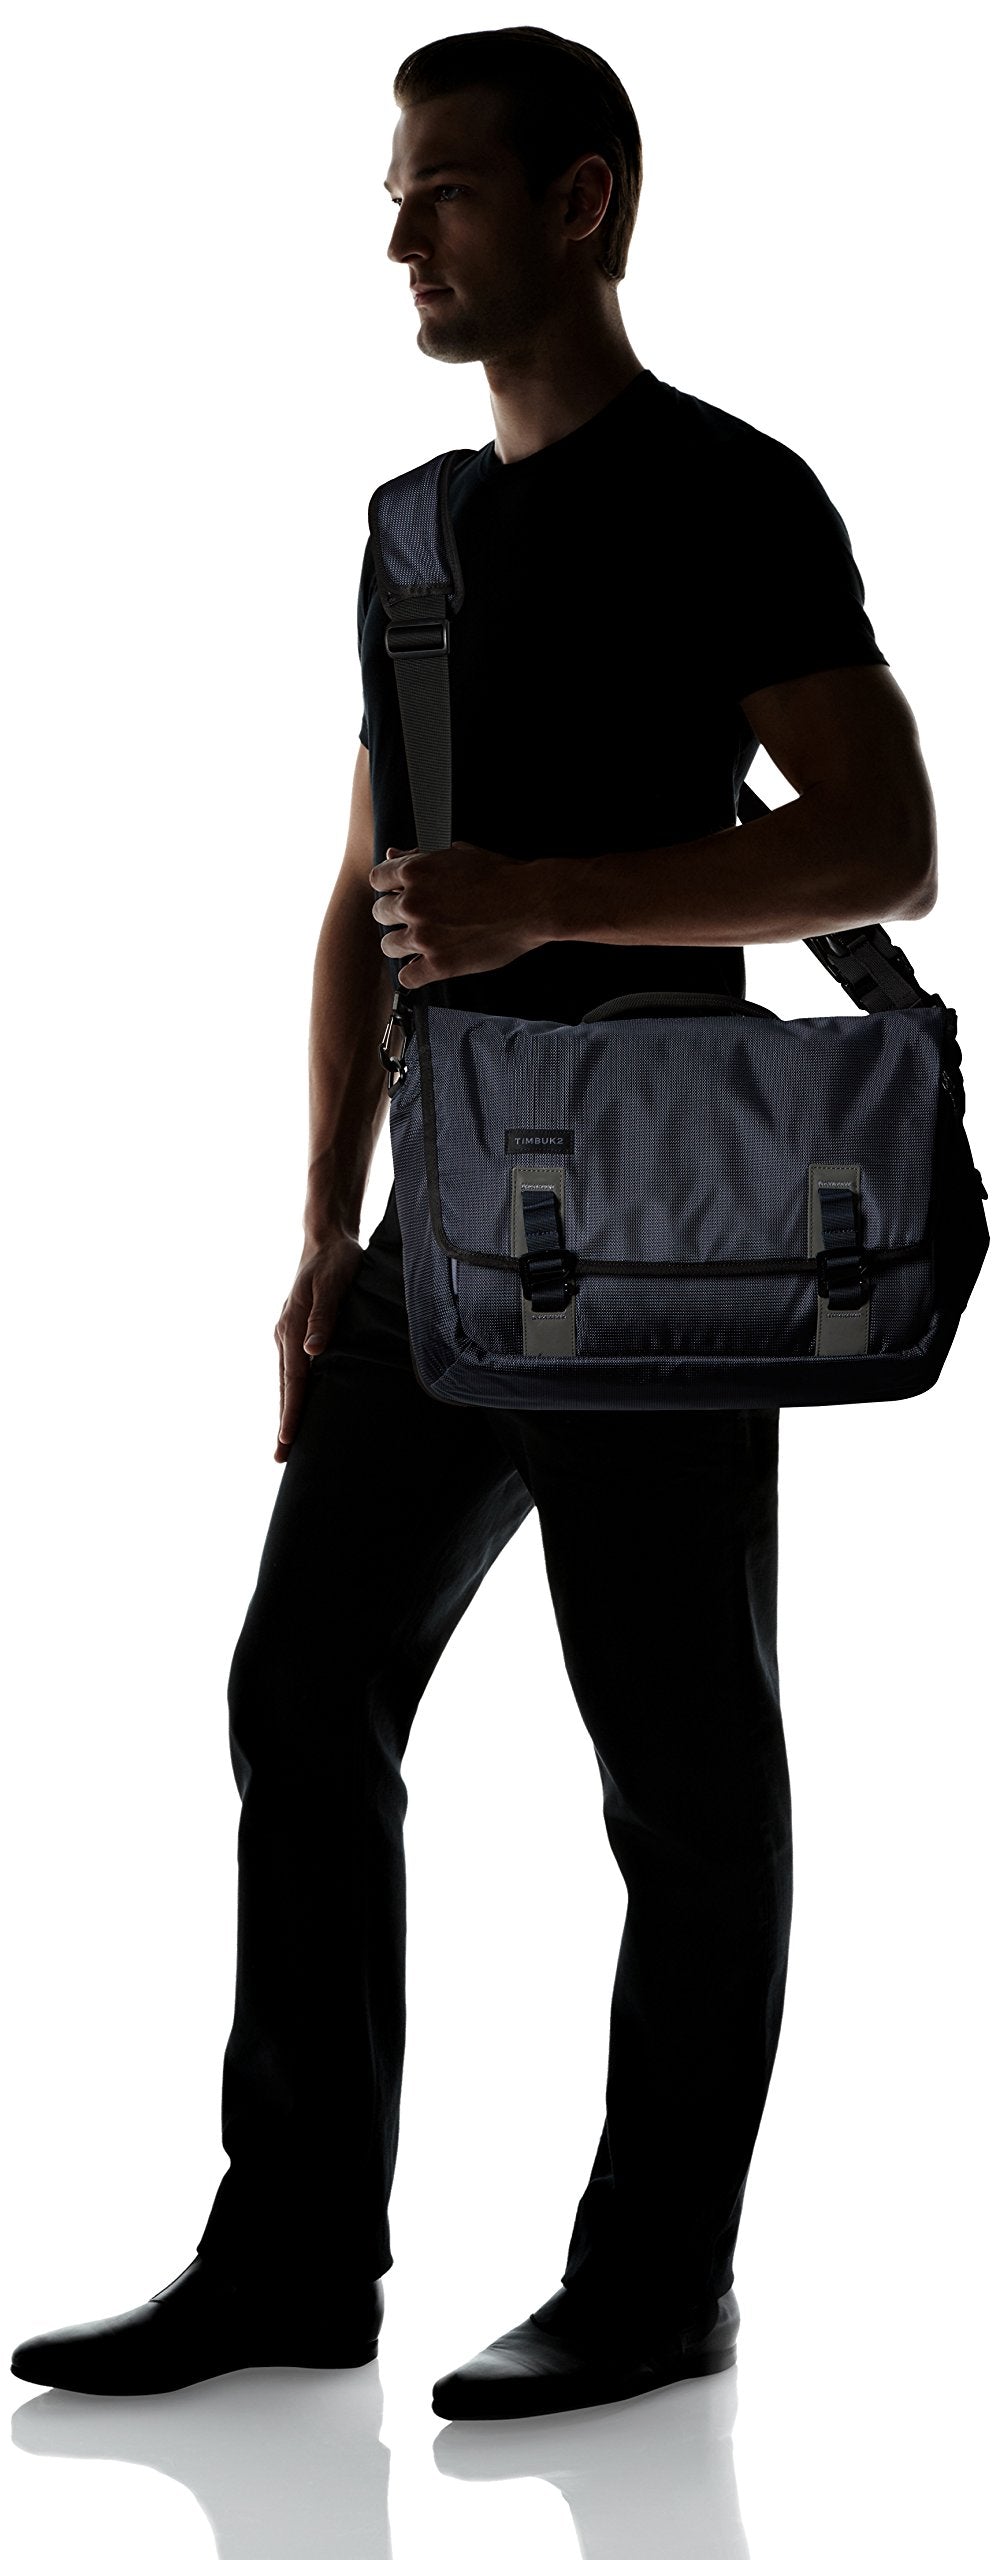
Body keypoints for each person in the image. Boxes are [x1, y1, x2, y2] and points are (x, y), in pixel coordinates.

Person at [11, 30, 936, 2415]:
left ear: (581, 201)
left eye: (437, 189)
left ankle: (654, 2282)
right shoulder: (412, 534)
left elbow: (882, 843)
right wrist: (319, 1234)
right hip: (441, 1230)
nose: (396, 233)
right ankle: (294, 2253)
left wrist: (557, 897)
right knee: (295, 1692)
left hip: (657, 1237)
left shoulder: (728, 491)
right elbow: (363, 895)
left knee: (679, 1767)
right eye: (393, 192)